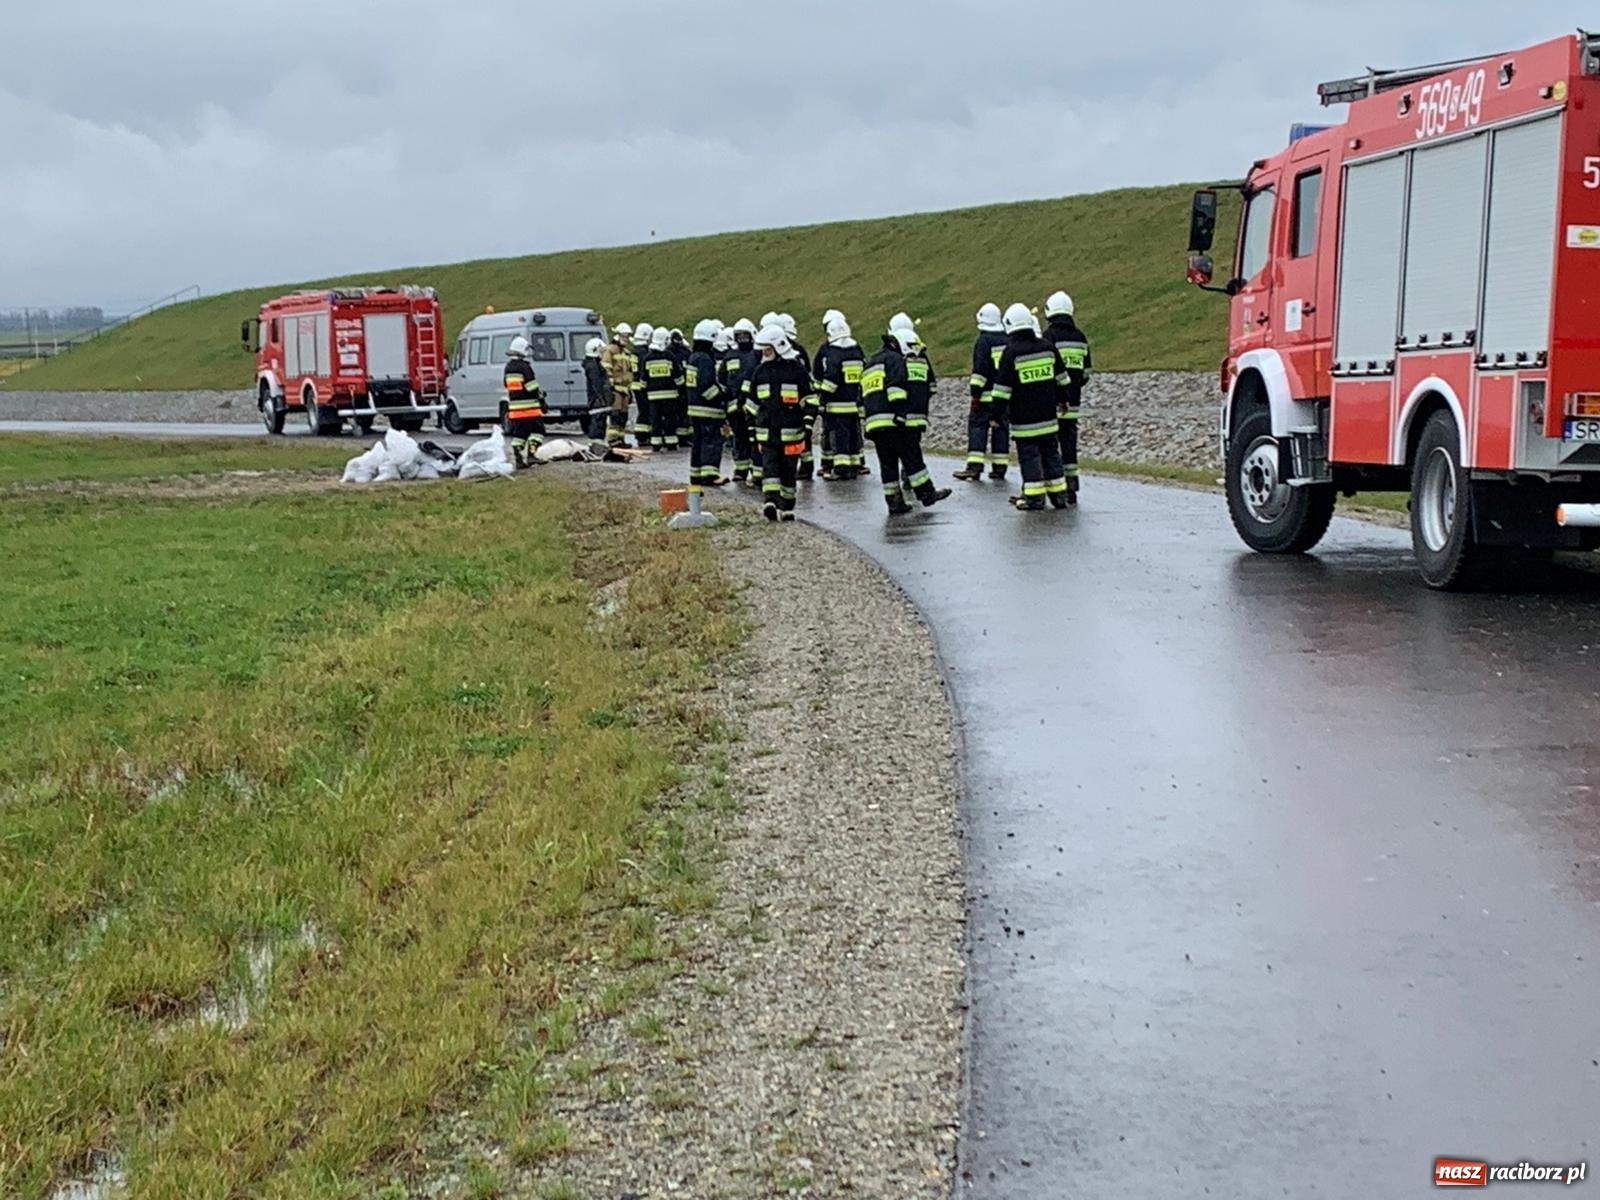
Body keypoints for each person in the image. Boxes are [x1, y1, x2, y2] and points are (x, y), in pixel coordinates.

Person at [861, 322, 952, 515]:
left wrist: (867, 424)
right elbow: (896, 390)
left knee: (887, 464)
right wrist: (901, 416)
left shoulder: (871, 363)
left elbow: (862, 397)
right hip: (895, 422)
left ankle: (894, 502)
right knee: (912, 458)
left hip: (875, 425)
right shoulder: (895, 360)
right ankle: (927, 495)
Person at [991, 303, 1070, 511]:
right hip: (1049, 419)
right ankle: (1059, 495)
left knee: (1030, 458)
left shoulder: (1011, 353)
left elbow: (1001, 390)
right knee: (1052, 455)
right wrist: (1063, 401)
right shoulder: (1048, 348)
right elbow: (1063, 380)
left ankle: (1035, 498)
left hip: (1024, 421)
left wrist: (995, 414)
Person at [746, 323, 813, 522]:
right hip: (767, 433)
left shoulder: (797, 371)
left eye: (768, 350)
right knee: (770, 469)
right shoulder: (760, 372)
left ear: (779, 347)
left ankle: (787, 507)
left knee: (788, 471)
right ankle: (771, 501)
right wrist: (752, 429)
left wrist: (808, 424)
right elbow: (751, 405)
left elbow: (809, 400)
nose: (764, 354)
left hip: (792, 434)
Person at [1042, 291, 1092, 504]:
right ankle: (1072, 485)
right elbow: (1086, 373)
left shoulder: (1049, 337)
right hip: (1073, 401)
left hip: (1052, 402)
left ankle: (1055, 486)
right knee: (1069, 441)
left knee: (1050, 445)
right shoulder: (1080, 337)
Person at [956, 302, 1011, 482]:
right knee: (1001, 429)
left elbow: (980, 370)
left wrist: (975, 393)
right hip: (1004, 396)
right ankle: (1000, 467)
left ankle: (974, 466)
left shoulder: (983, 341)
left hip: (985, 396)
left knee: (978, 426)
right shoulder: (1007, 339)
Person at [815, 316, 866, 481]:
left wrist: (822, 397)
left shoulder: (834, 353)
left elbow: (831, 379)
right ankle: (853, 466)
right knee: (853, 435)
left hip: (837, 405)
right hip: (854, 403)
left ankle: (841, 469)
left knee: (840, 437)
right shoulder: (857, 350)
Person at [685, 319, 730, 487]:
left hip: (694, 409)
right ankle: (710, 475)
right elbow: (707, 386)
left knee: (698, 442)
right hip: (708, 410)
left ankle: (696, 475)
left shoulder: (693, 357)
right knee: (711, 441)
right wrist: (722, 397)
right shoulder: (704, 359)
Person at [777, 313, 818, 480]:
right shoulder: (799, 350)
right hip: (800, 398)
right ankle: (806, 466)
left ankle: (801, 466)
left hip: (790, 399)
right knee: (803, 433)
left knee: (796, 434)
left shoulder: (788, 352)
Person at [723, 317, 759, 483]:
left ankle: (758, 471)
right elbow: (722, 379)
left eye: (745, 335)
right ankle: (741, 470)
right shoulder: (730, 356)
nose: (743, 339)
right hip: (734, 407)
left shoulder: (757, 354)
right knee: (740, 438)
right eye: (739, 336)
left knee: (756, 438)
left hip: (753, 406)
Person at [502, 336, 546, 468]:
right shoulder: (525, 367)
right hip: (530, 408)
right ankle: (532, 455)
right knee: (538, 432)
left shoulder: (508, 367)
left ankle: (518, 458)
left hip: (515, 410)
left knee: (519, 435)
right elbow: (531, 387)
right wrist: (541, 398)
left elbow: (506, 384)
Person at [642, 327, 683, 451]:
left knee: (656, 419)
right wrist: (681, 390)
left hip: (653, 396)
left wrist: (644, 392)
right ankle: (671, 442)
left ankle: (656, 443)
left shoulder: (647, 358)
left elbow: (643, 379)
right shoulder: (669, 356)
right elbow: (678, 376)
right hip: (670, 395)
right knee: (670, 418)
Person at [601, 323, 635, 446]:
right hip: (615, 389)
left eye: (627, 336)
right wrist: (609, 387)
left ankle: (621, 439)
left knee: (623, 417)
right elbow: (606, 368)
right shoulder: (610, 350)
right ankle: (612, 440)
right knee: (615, 416)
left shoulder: (626, 353)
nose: (626, 339)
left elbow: (629, 373)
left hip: (625, 390)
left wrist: (630, 389)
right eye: (624, 336)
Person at [630, 323, 655, 449]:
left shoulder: (635, 351)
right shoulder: (643, 353)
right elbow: (644, 370)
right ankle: (642, 436)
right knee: (645, 411)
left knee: (643, 410)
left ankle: (642, 435)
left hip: (635, 384)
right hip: (642, 385)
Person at [582, 337, 612, 440]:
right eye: (601, 351)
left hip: (598, 401)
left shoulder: (594, 364)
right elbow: (597, 384)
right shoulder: (593, 367)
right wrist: (603, 399)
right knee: (597, 426)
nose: (603, 354)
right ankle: (596, 448)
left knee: (600, 425)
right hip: (597, 402)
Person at [668, 328, 692, 449]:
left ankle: (683, 438)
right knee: (678, 414)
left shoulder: (684, 352)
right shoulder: (673, 353)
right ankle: (682, 438)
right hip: (677, 387)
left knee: (682, 414)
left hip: (682, 387)